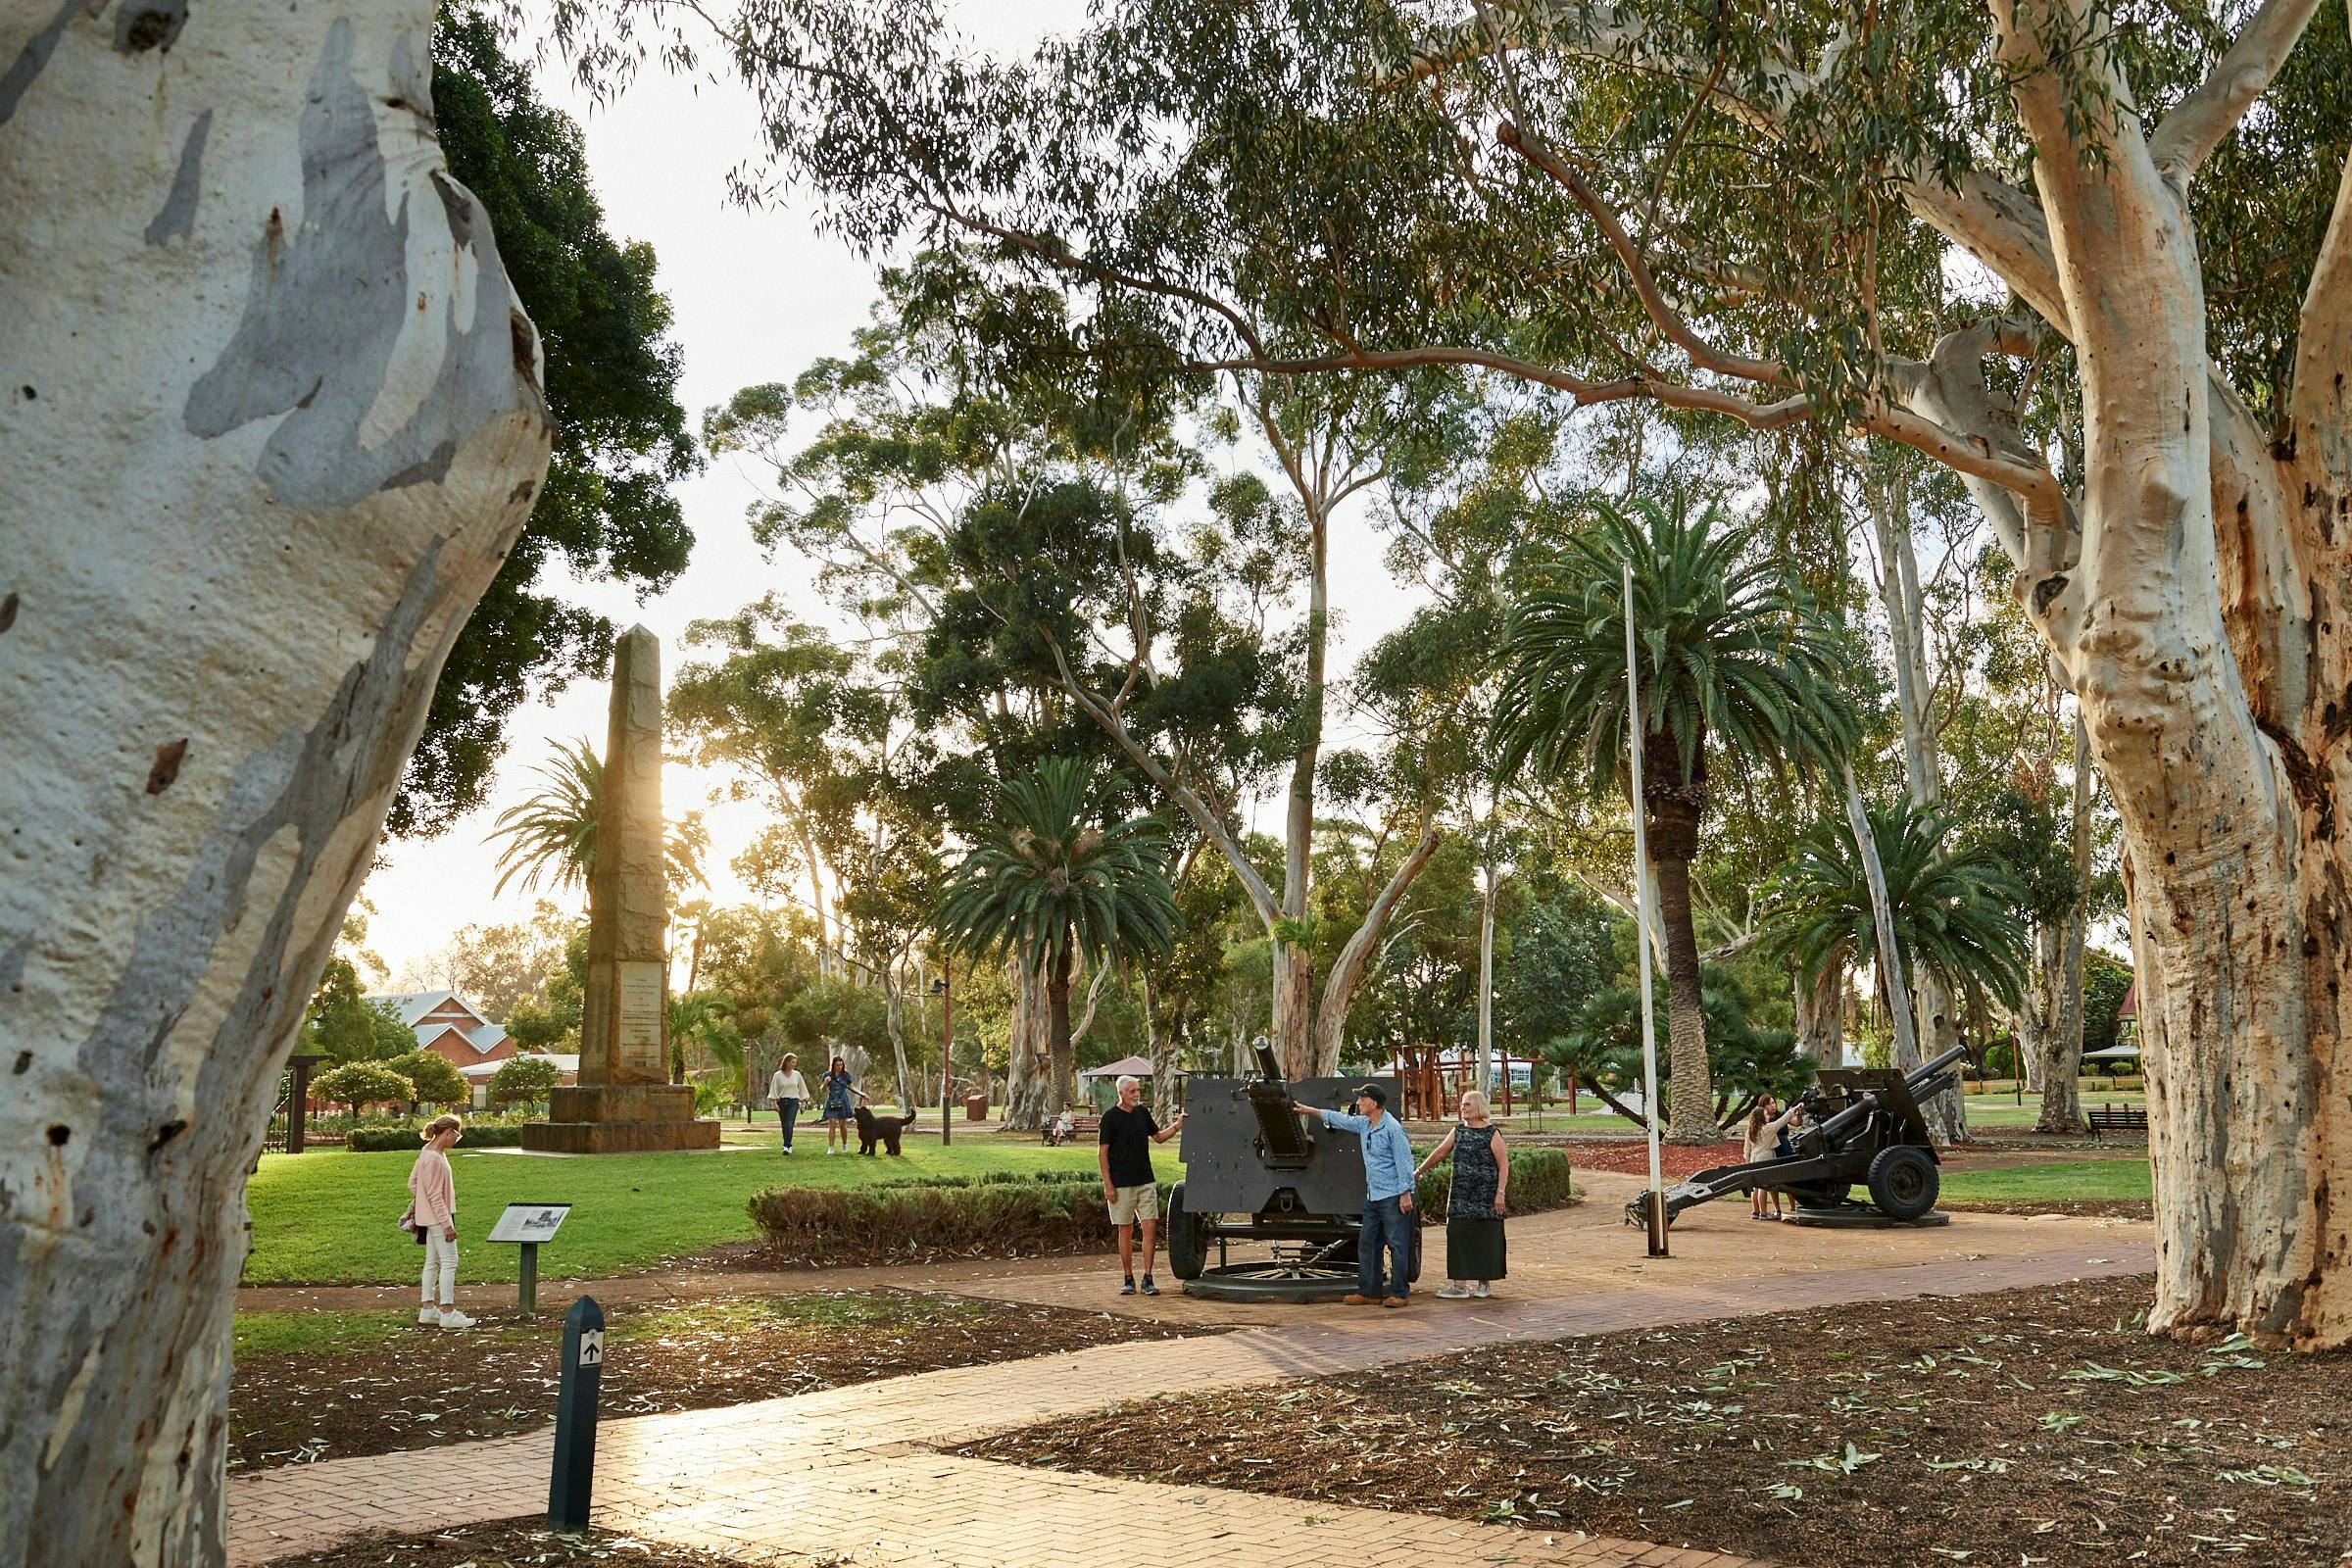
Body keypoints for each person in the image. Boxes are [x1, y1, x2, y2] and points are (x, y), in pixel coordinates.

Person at [1293, 1082, 1416, 1307]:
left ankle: (1399, 1293)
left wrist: (1405, 1193)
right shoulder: (1364, 1124)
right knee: (1368, 1244)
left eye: (1362, 1099)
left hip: (1392, 1197)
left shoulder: (1392, 1129)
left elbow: (1405, 1162)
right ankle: (1369, 1292)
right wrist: (1308, 1110)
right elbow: (1340, 1119)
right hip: (1373, 1196)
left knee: (1397, 1245)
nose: (1358, 1103)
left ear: (1374, 1103)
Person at [1413, 1089, 1508, 1299]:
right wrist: (1419, 1171)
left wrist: (1500, 1193)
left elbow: (1503, 1164)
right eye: (1462, 1104)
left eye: (1467, 1104)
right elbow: (1440, 1152)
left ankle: (1484, 1285)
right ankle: (1459, 1286)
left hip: (1486, 1196)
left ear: (1478, 1107)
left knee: (1486, 1238)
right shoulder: (1458, 1131)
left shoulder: (1492, 1133)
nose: (1462, 1108)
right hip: (1460, 1195)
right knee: (1457, 1236)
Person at [1098, 1076, 1185, 1296]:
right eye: (1132, 1091)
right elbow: (1102, 1153)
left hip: (1146, 1181)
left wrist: (1177, 1126)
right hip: (1121, 1184)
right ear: (1121, 1093)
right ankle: (1128, 1278)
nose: (1137, 1094)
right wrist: (1108, 1184)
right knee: (1125, 1229)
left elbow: (1159, 1137)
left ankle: (1148, 1278)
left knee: (1149, 1229)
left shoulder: (1142, 1113)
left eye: (1138, 1090)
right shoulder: (1110, 1118)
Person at [404, 1114, 473, 1329]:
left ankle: (427, 1309)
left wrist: (424, 1203)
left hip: (429, 1216)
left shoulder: (427, 1152)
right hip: (439, 1216)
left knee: (432, 1262)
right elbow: (434, 1194)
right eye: (457, 1136)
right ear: (449, 1132)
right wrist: (446, 1223)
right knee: (449, 1262)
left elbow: (413, 1183)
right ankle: (447, 1311)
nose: (456, 1141)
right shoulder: (434, 1158)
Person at [1745, 1095, 1797, 1219]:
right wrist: (1793, 1110)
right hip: (1765, 1157)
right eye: (1766, 1115)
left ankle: (1756, 1212)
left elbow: (1746, 1150)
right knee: (1763, 1186)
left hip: (1754, 1157)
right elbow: (1782, 1121)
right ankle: (1764, 1213)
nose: (1769, 1116)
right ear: (1761, 1118)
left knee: (1755, 1187)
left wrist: (1747, 1162)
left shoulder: (1750, 1130)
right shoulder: (1767, 1129)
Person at [768, 1053, 809, 1154]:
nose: (794, 1064)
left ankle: (788, 1145)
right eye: (792, 1062)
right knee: (784, 1125)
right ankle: (786, 1144)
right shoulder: (778, 1075)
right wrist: (774, 1103)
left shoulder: (797, 1075)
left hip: (793, 1101)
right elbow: (774, 1090)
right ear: (786, 1062)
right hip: (782, 1101)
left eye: (795, 1062)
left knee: (789, 1124)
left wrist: (803, 1103)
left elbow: (802, 1089)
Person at [818, 1055, 858, 1154]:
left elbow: (851, 1087)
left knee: (842, 1124)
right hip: (832, 1099)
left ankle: (845, 1145)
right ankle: (831, 1147)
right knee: (832, 1124)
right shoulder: (827, 1075)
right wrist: (826, 1083)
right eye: (837, 1065)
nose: (839, 1067)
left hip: (843, 1099)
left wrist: (861, 1094)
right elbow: (823, 1090)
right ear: (833, 1065)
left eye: (841, 1065)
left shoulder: (846, 1075)